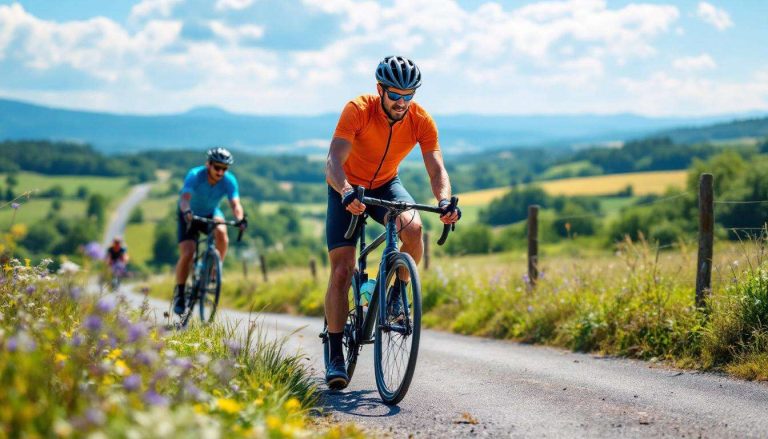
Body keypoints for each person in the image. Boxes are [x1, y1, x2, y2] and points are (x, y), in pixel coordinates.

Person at [324, 55, 461, 389]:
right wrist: (345, 192)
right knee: (342, 270)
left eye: (408, 95)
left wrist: (444, 200)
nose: (402, 102)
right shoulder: (357, 109)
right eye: (395, 95)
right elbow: (333, 160)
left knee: (413, 229)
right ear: (380, 90)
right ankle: (335, 352)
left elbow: (436, 167)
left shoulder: (421, 119)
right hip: (348, 186)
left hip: (386, 182)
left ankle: (398, 291)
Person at [172, 147, 247, 315]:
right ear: (208, 165)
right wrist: (187, 212)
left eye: (224, 169)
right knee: (188, 252)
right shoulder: (195, 175)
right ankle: (181, 293)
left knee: (222, 234)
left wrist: (240, 219)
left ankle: (213, 271)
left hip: (211, 212)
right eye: (217, 168)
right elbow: (184, 199)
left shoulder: (229, 180)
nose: (221, 172)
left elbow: (235, 204)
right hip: (189, 214)